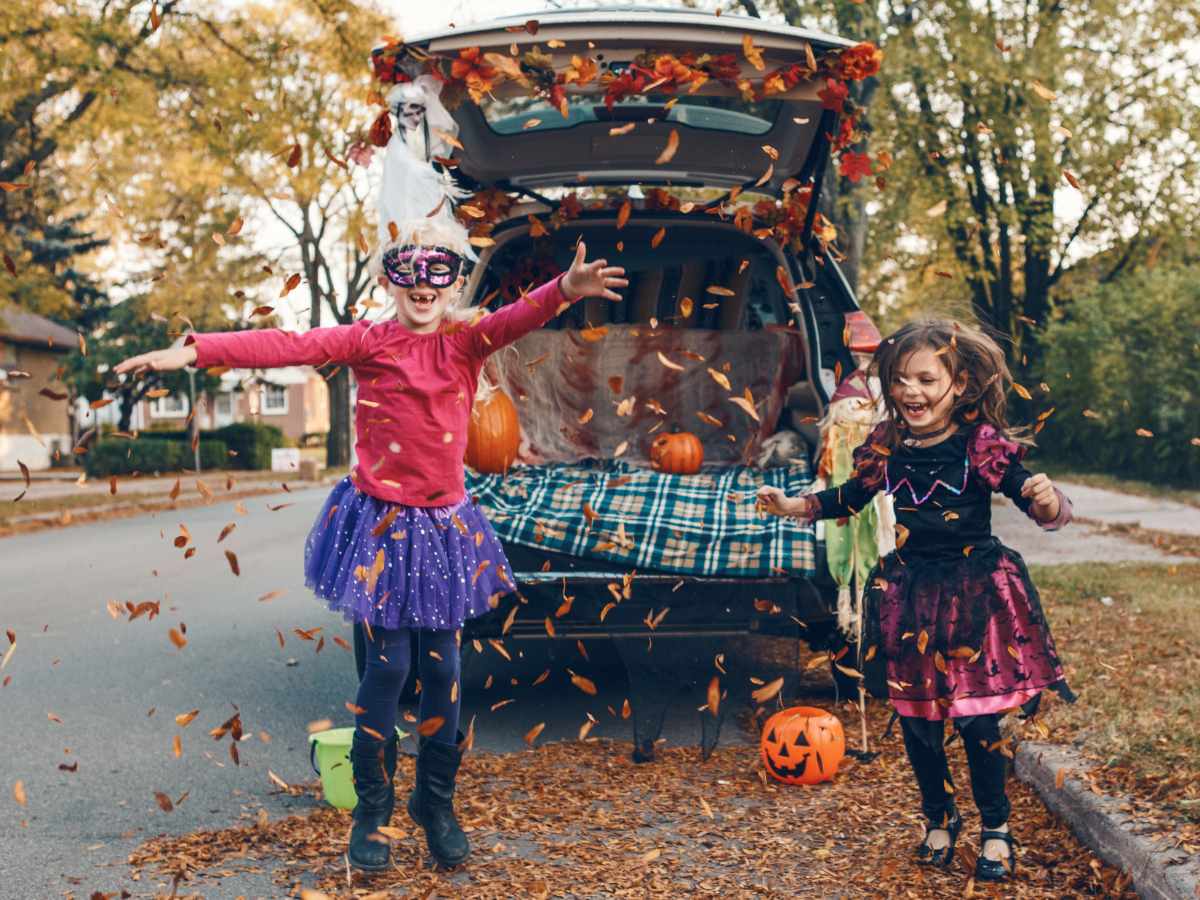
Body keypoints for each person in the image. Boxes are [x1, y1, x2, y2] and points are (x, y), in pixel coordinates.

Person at [115, 219, 627, 871]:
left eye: (438, 270)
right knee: (387, 669)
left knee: (443, 669)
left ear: (453, 281)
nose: (423, 284)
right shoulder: (367, 341)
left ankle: (435, 804)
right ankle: (372, 810)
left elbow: (522, 316)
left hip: (443, 527)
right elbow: (285, 344)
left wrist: (566, 287)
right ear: (389, 280)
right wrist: (194, 352)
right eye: (408, 271)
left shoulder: (467, 341)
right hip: (382, 527)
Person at [757, 318, 1075, 882]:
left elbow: (1037, 505)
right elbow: (849, 498)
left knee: (978, 724)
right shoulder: (885, 446)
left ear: (960, 385)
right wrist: (794, 506)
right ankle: (938, 816)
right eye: (901, 379)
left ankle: (996, 827)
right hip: (908, 597)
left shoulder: (980, 445)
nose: (912, 391)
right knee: (918, 722)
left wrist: (1046, 500)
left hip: (973, 597)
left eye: (927, 379)